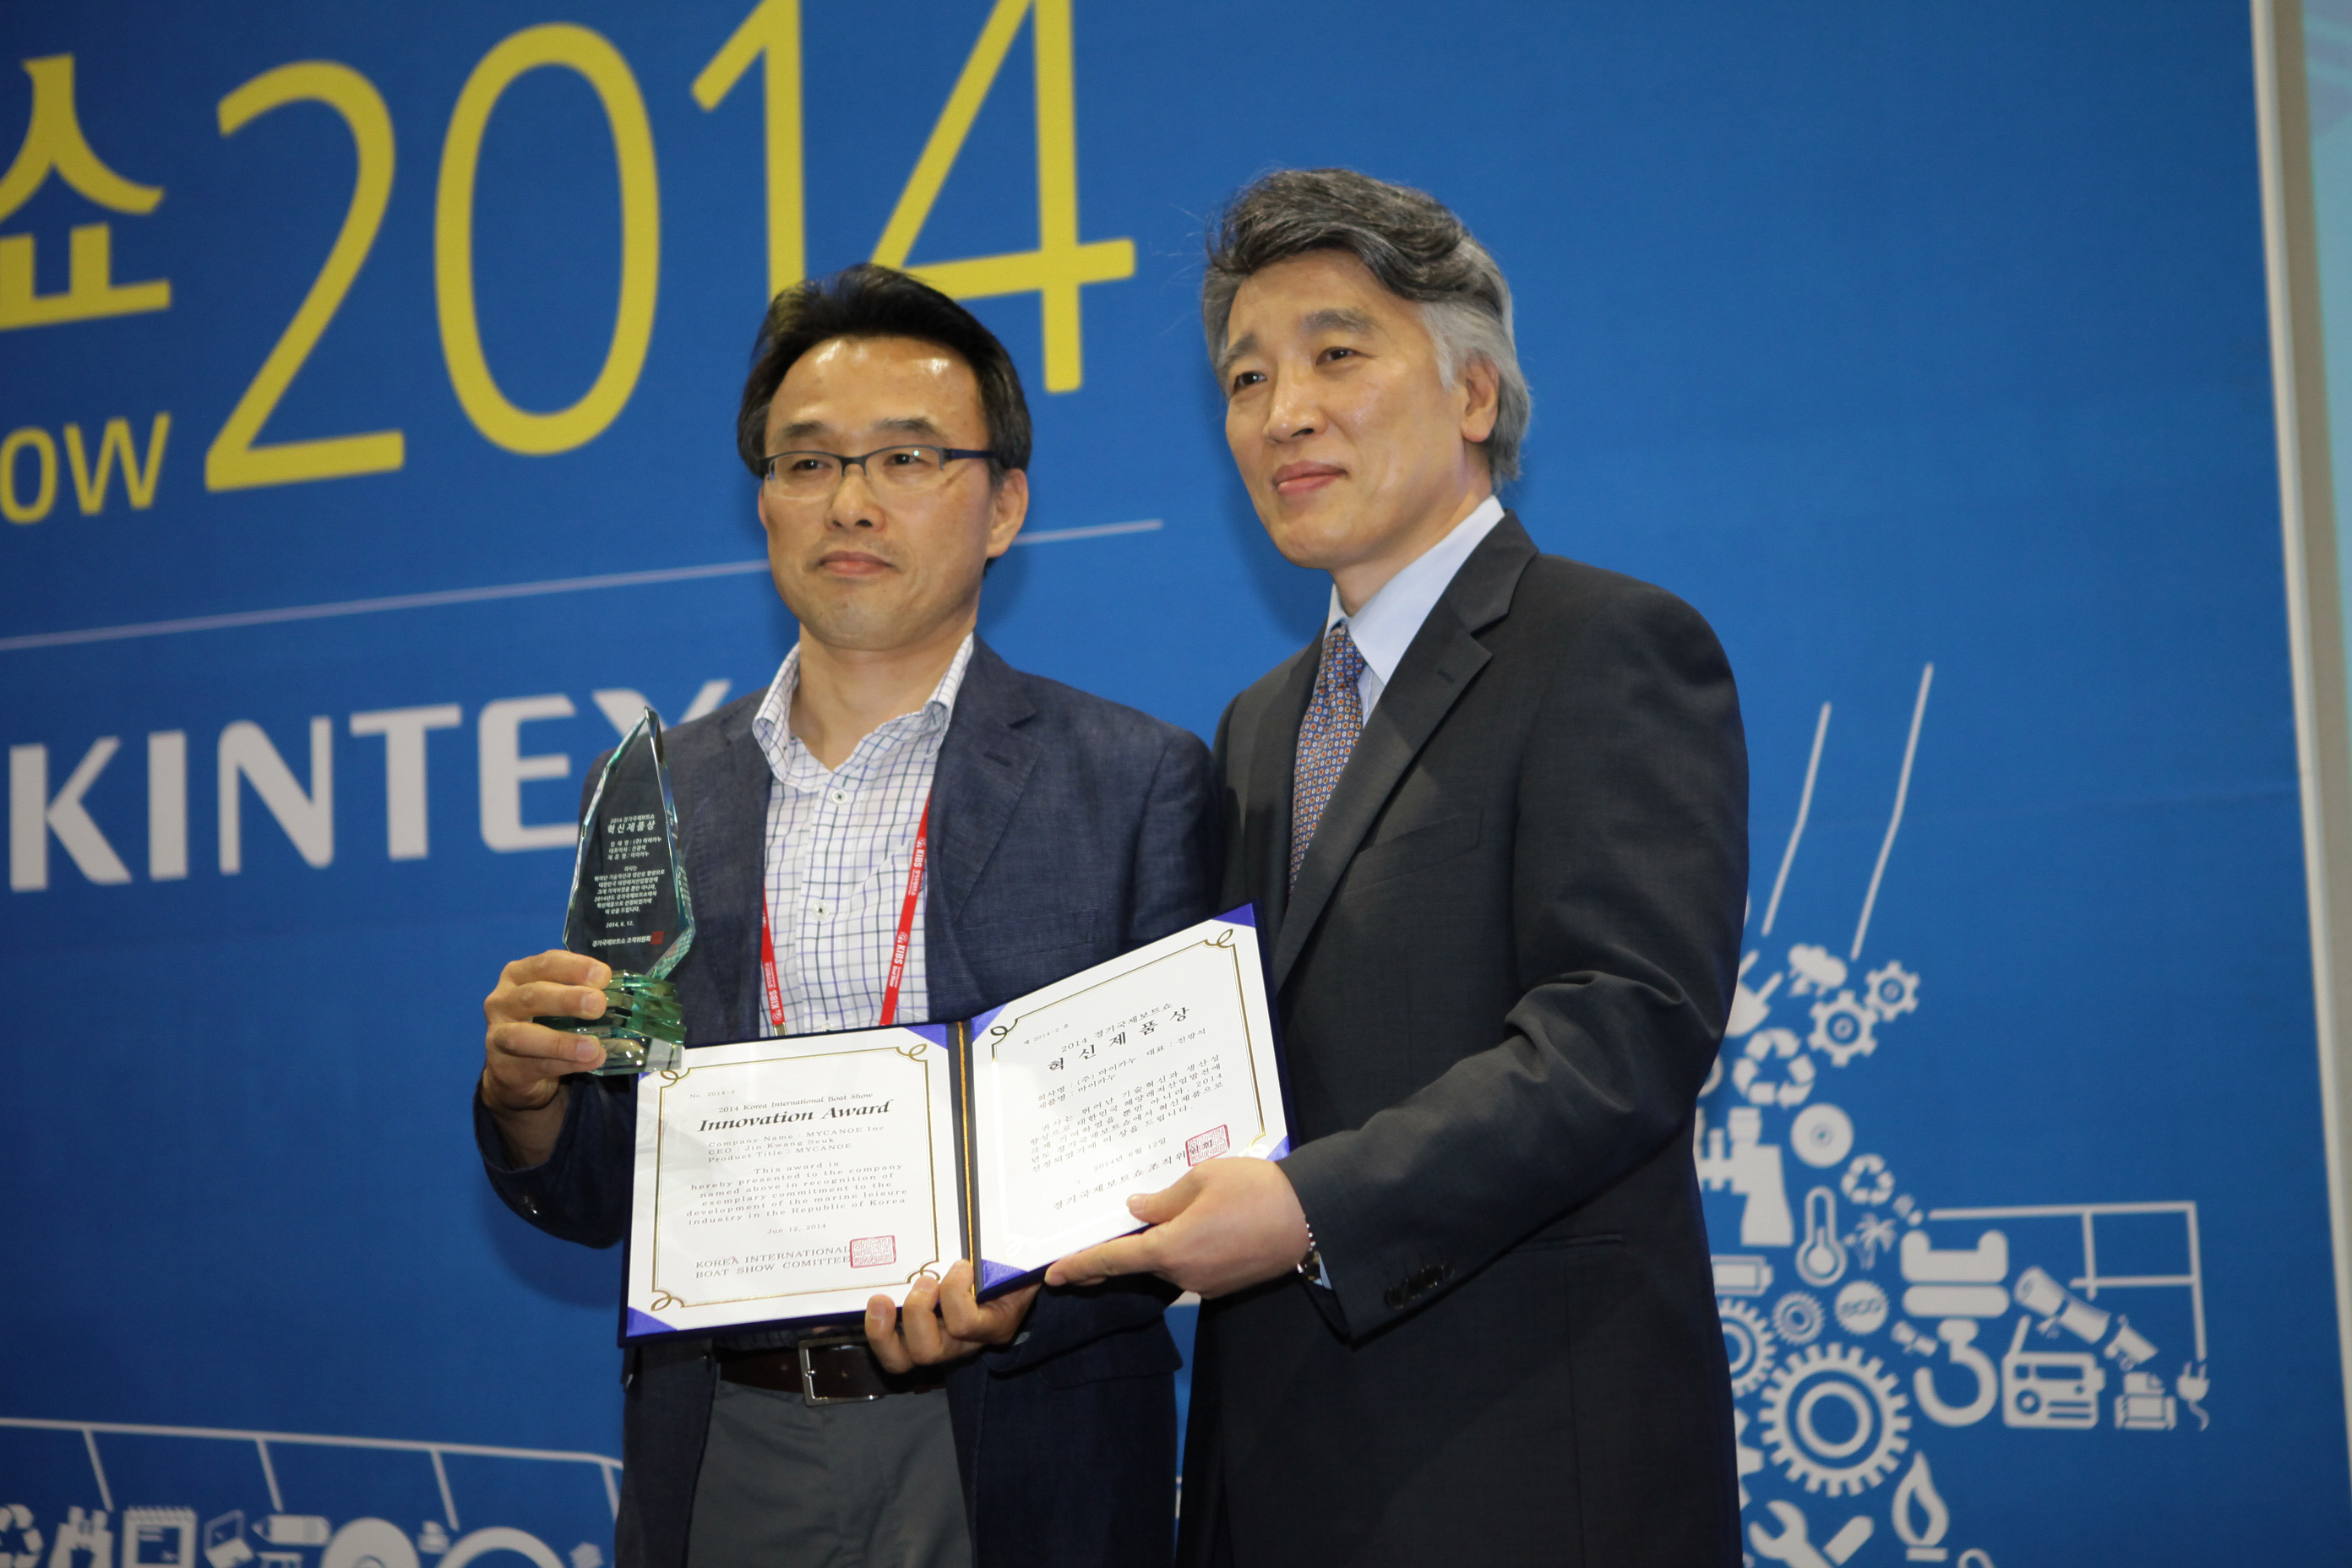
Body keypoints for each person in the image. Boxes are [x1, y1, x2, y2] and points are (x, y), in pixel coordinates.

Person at [1048, 171, 1749, 1564]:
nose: (1282, 413)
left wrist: (1310, 1211)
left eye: (1336, 355)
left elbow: (1621, 1033)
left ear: (1475, 394)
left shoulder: (1607, 646)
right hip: (1274, 1479)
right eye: (1246, 377)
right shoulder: (1256, 726)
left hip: (1523, 1469)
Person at [476, 263, 1212, 1568]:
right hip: (726, 1435)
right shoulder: (652, 793)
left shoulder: (1134, 780)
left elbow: (1182, 1169)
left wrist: (1022, 1290)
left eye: (908, 458)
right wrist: (528, 1102)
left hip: (1016, 1434)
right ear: (763, 500)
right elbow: (600, 1191)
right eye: (807, 463)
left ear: (1005, 505)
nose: (851, 503)